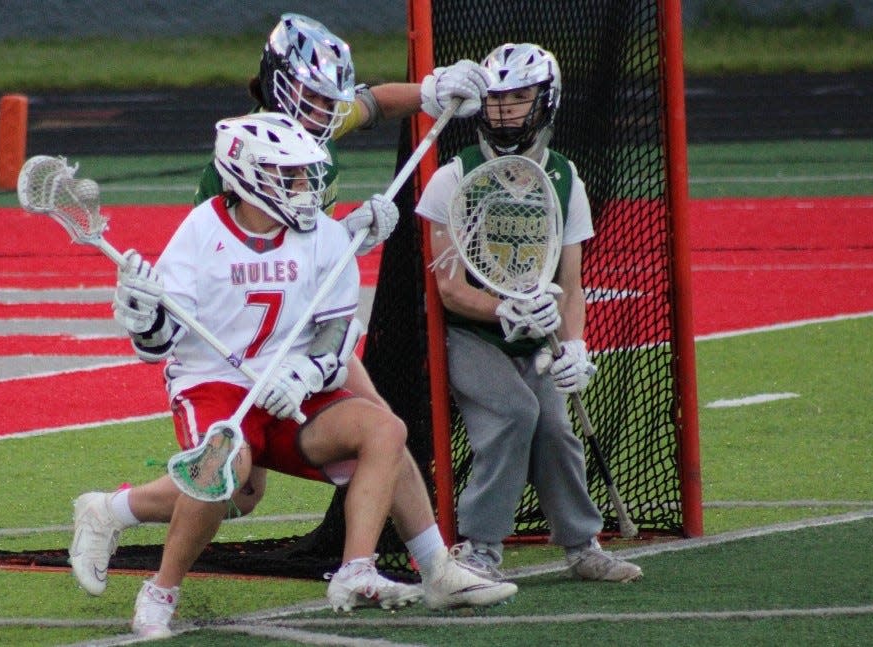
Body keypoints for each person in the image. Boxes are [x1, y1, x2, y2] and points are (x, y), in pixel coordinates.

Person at [70, 12, 490, 596]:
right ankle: (112, 513)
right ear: (283, 87)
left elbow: (368, 104)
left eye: (327, 101)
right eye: (314, 99)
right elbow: (253, 261)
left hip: (299, 329)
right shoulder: (241, 162)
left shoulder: (310, 127)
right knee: (238, 489)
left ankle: (430, 564)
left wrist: (430, 90)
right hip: (239, 345)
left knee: (382, 430)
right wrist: (346, 234)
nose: (327, 113)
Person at [106, 113, 516, 637]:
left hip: (288, 388)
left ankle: (359, 570)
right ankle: (160, 590)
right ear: (246, 176)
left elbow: (336, 330)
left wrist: (302, 373)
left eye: (305, 175)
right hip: (214, 386)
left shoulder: (323, 234)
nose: (305, 188)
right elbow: (160, 344)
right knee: (223, 473)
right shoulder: (202, 230)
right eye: (290, 176)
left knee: (384, 429)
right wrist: (145, 319)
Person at [414, 43, 643, 584]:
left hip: (537, 336)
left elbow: (570, 281)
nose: (504, 110)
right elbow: (448, 290)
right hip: (470, 338)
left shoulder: (565, 180)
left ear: (545, 100)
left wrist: (576, 346)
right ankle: (480, 550)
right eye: (496, 99)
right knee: (515, 413)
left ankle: (582, 544)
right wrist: (504, 310)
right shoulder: (454, 179)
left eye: (518, 98)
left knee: (557, 428)